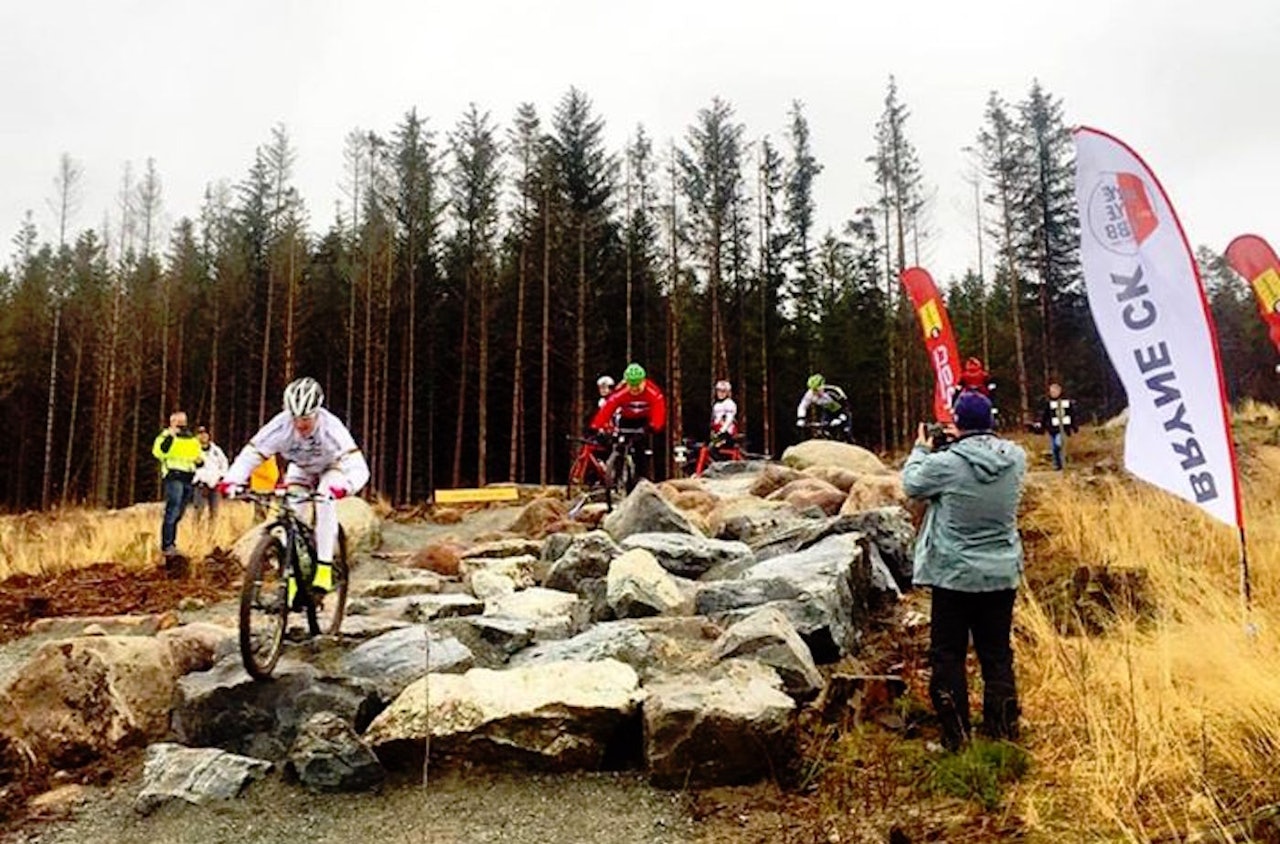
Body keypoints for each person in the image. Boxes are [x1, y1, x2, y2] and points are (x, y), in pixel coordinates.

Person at [901, 391, 1027, 751]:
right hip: (1000, 572)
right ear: (991, 421)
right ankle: (1003, 730)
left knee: (948, 655)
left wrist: (922, 449)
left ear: (957, 423)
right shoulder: (1016, 458)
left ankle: (955, 737)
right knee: (997, 653)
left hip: (954, 575)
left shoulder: (946, 464)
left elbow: (911, 485)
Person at [218, 377, 369, 600]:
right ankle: (291, 575)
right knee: (292, 514)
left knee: (324, 500)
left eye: (306, 419)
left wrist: (346, 487)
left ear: (317, 413)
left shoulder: (332, 428)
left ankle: (324, 567)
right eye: (296, 418)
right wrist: (232, 480)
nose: (300, 424)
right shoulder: (280, 425)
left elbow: (358, 468)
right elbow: (252, 454)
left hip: (331, 468)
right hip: (300, 468)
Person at [589, 363, 667, 480]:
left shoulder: (653, 393)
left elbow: (659, 411)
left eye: (638, 385)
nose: (635, 389)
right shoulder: (621, 393)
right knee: (619, 445)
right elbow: (607, 409)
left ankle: (642, 478)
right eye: (632, 385)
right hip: (627, 419)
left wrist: (653, 426)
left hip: (643, 421)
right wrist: (596, 426)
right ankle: (616, 475)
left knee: (639, 448)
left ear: (643, 381)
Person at [151, 411, 203, 557]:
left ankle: (171, 542)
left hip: (188, 478)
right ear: (171, 422)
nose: (181, 425)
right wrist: (170, 435)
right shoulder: (165, 437)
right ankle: (168, 545)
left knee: (179, 512)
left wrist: (199, 462)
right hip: (174, 476)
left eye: (183, 421)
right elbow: (159, 452)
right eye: (178, 421)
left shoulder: (191, 439)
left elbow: (198, 456)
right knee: (172, 510)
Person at [795, 374, 851, 441]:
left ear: (822, 386)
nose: (815, 393)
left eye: (816, 390)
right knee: (825, 432)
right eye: (813, 390)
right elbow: (803, 406)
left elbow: (846, 406)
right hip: (828, 412)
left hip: (842, 412)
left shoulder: (834, 391)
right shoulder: (809, 394)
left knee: (846, 432)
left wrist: (840, 418)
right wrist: (801, 418)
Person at [191, 426, 230, 520]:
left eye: (205, 433)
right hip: (201, 484)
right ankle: (196, 532)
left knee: (214, 511)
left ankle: (212, 533)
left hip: (215, 484)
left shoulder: (216, 450)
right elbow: (189, 465)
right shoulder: (192, 450)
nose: (203, 436)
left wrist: (221, 476)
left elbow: (224, 463)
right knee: (198, 511)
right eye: (200, 434)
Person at [1039, 382, 1077, 471]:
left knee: (1059, 444)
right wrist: (1042, 427)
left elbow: (1071, 415)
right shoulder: (1048, 404)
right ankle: (1057, 465)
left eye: (1055, 391)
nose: (1053, 393)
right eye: (1051, 391)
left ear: (1059, 391)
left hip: (1063, 429)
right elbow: (1045, 416)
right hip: (1052, 429)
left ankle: (1063, 463)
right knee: (1054, 448)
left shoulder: (1066, 402)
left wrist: (1074, 426)